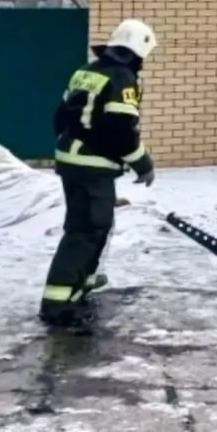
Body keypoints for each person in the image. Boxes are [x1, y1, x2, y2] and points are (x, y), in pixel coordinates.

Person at [39, 18, 158, 327]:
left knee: (92, 227)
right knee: (86, 231)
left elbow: (59, 116)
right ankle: (57, 302)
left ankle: (83, 281)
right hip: (93, 166)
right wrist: (143, 164)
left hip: (72, 159)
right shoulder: (122, 78)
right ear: (138, 52)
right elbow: (121, 130)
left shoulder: (87, 71)